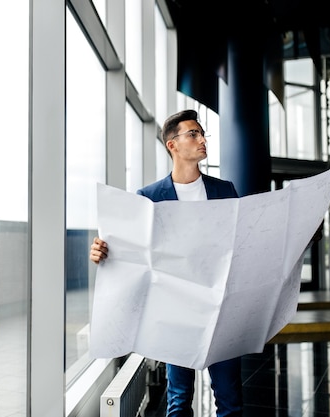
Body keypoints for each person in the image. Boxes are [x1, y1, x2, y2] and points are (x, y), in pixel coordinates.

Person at [90, 109, 243, 417]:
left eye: (202, 134)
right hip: (175, 311)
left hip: (219, 308)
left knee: (230, 398)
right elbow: (132, 252)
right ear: (172, 145)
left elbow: (243, 242)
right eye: (193, 134)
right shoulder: (148, 197)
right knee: (179, 398)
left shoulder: (224, 191)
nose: (202, 140)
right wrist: (102, 252)